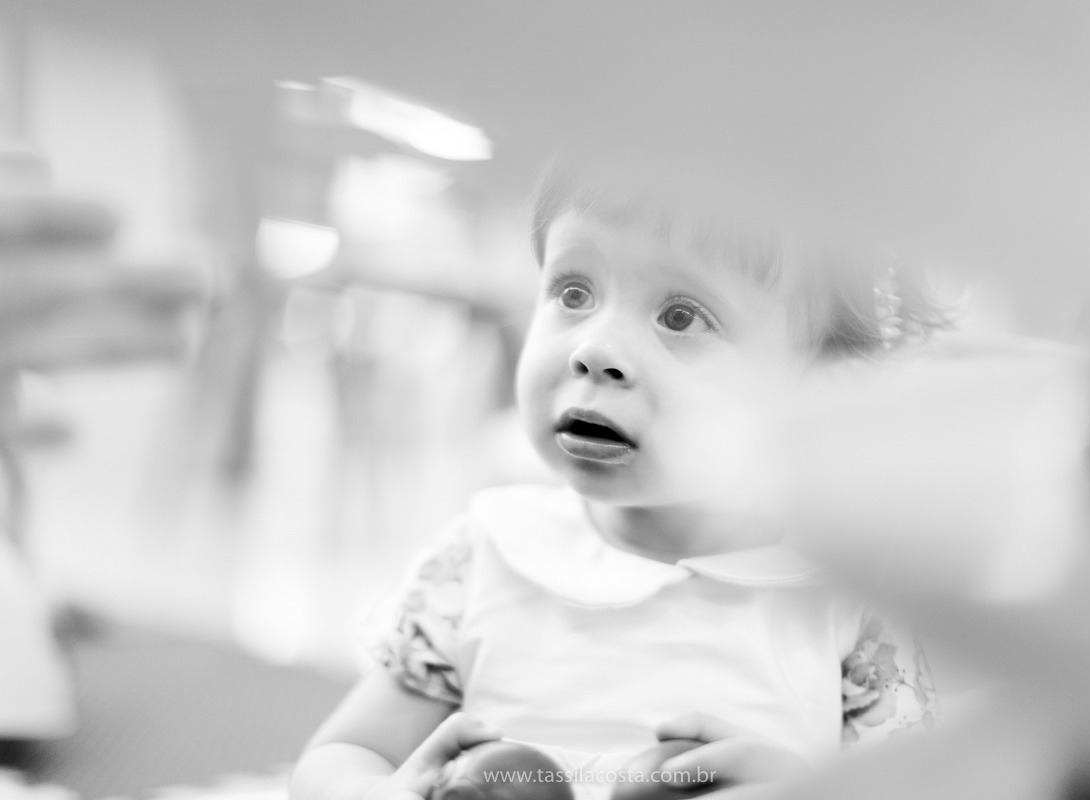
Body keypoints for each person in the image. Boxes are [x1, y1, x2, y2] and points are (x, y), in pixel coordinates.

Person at [289, 169, 947, 800]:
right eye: (573, 293)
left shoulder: (850, 610)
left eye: (682, 316)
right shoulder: (482, 558)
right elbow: (343, 755)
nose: (594, 348)